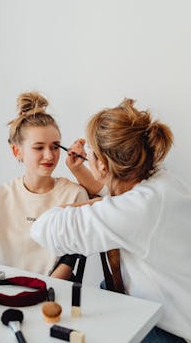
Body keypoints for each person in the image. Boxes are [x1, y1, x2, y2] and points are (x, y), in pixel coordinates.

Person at [30, 98, 191, 342]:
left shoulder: (135, 211)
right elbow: (118, 194)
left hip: (168, 329)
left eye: (92, 154)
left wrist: (91, 204)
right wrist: (81, 171)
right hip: (163, 303)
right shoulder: (159, 181)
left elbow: (43, 228)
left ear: (104, 165)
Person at [0, 91, 88, 280]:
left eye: (55, 146)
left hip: (53, 297)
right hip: (0, 293)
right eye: (39, 147)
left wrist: (43, 292)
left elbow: (70, 259)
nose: (49, 155)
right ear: (17, 151)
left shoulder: (75, 196)